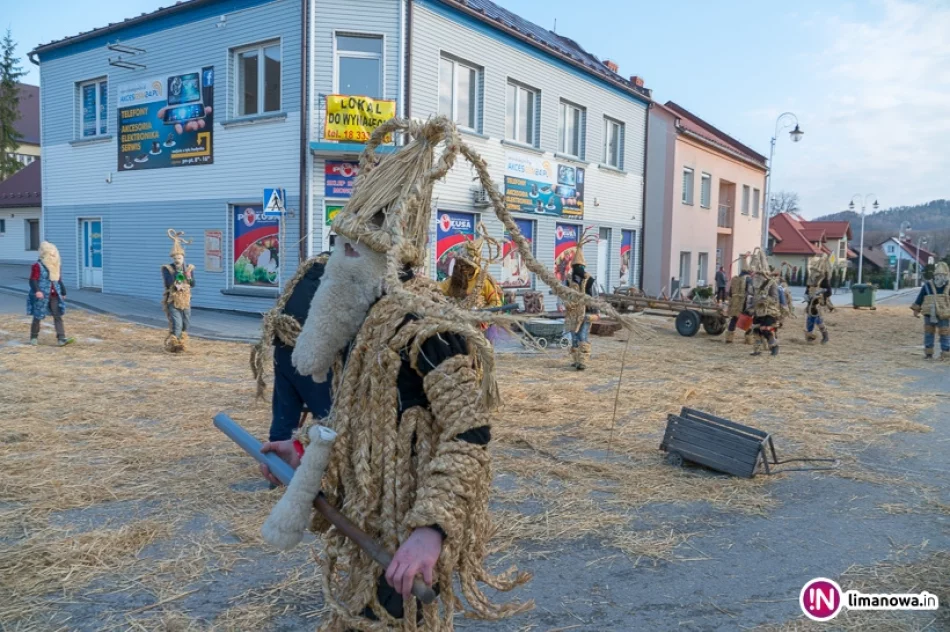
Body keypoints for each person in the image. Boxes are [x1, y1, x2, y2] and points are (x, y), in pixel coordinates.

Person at [250, 252, 334, 442]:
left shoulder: (298, 282)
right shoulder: (332, 284)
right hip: (312, 358)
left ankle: (277, 456)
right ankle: (322, 458)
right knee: (327, 416)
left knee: (285, 412)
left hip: (284, 354)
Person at [439, 224, 502, 310]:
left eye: (467, 265)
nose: (463, 268)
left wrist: (482, 311)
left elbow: (496, 303)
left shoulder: (484, 281)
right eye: (461, 264)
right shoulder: (455, 280)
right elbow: (438, 288)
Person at [564, 227, 599, 370]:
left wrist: (596, 312)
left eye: (580, 266)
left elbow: (595, 296)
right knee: (574, 336)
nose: (578, 268)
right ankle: (576, 359)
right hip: (573, 313)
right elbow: (564, 294)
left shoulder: (590, 280)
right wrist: (565, 304)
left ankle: (582, 360)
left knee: (583, 335)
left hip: (587, 313)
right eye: (576, 266)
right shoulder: (568, 280)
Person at [27, 242, 74, 347]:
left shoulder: (56, 266)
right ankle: (33, 337)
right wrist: (37, 291)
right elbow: (33, 280)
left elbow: (58, 280)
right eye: (51, 254)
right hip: (42, 295)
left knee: (57, 316)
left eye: (55, 254)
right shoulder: (37, 266)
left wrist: (63, 292)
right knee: (38, 316)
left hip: (54, 295)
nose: (53, 256)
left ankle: (61, 338)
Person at [161, 229, 195, 352]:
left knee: (186, 323)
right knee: (177, 324)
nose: (177, 260)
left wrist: (189, 276)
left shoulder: (189, 268)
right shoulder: (168, 268)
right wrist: (177, 280)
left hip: (185, 300)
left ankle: (182, 342)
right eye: (175, 257)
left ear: (183, 257)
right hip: (173, 300)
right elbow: (168, 283)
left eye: (179, 257)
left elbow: (193, 284)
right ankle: (175, 346)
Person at [911, 261, 950, 360]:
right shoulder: (927, 285)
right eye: (939, 274)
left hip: (944, 313)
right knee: (929, 333)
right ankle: (929, 353)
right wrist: (916, 309)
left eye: (943, 275)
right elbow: (920, 297)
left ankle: (945, 353)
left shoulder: (948, 286)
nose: (940, 277)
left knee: (944, 333)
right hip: (929, 313)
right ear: (935, 275)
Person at [748, 249, 781, 356]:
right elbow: (752, 297)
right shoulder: (754, 284)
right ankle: (757, 350)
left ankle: (774, 346)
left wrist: (765, 299)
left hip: (769, 311)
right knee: (756, 330)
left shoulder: (772, 283)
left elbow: (775, 298)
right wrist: (749, 307)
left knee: (765, 330)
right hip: (757, 311)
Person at [804, 255, 833, 344]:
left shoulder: (823, 279)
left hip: (819, 303)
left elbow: (829, 291)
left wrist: (821, 294)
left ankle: (825, 336)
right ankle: (810, 336)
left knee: (818, 319)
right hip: (811, 302)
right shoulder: (811, 279)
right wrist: (806, 295)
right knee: (809, 319)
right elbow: (807, 289)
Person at [725, 261, 753, 345]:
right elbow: (751, 292)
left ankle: (729, 338)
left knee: (734, 319)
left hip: (734, 303)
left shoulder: (735, 279)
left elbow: (730, 293)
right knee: (749, 320)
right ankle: (748, 338)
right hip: (744, 303)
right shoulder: (749, 279)